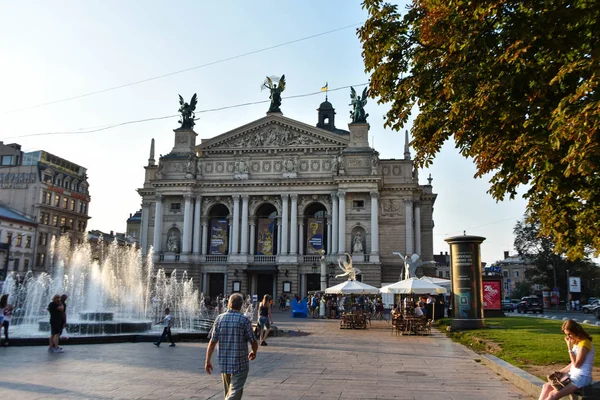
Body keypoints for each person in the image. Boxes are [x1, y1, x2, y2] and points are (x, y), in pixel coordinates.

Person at [205, 293, 258, 400]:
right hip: (240, 364)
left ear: (229, 304)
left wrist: (207, 361)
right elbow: (253, 341)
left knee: (228, 393)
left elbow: (212, 342)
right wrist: (254, 351)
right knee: (234, 393)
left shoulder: (219, 319)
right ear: (241, 306)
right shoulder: (244, 320)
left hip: (224, 363)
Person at [538, 319, 595, 400]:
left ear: (576, 331)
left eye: (569, 334)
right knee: (546, 386)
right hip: (573, 376)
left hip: (582, 377)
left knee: (552, 395)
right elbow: (572, 364)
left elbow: (577, 364)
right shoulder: (578, 343)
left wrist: (569, 348)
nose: (568, 337)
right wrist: (560, 371)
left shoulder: (585, 343)